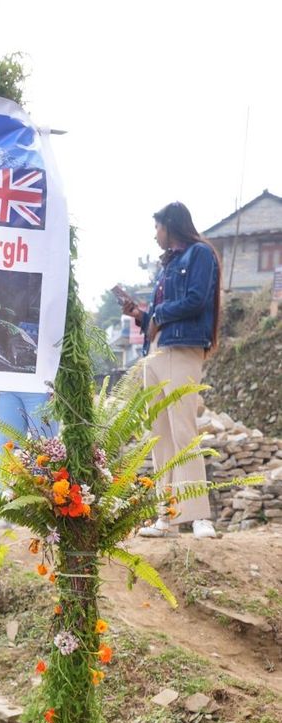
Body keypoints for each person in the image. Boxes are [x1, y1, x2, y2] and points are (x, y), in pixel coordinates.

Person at [122, 202, 221, 539]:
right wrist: (140, 314)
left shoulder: (200, 255)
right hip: (158, 349)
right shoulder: (167, 267)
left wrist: (159, 313)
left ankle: (198, 517)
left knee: (183, 431)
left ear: (170, 225)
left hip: (183, 349)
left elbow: (196, 300)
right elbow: (159, 317)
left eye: (157, 228)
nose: (155, 235)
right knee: (160, 438)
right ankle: (167, 517)